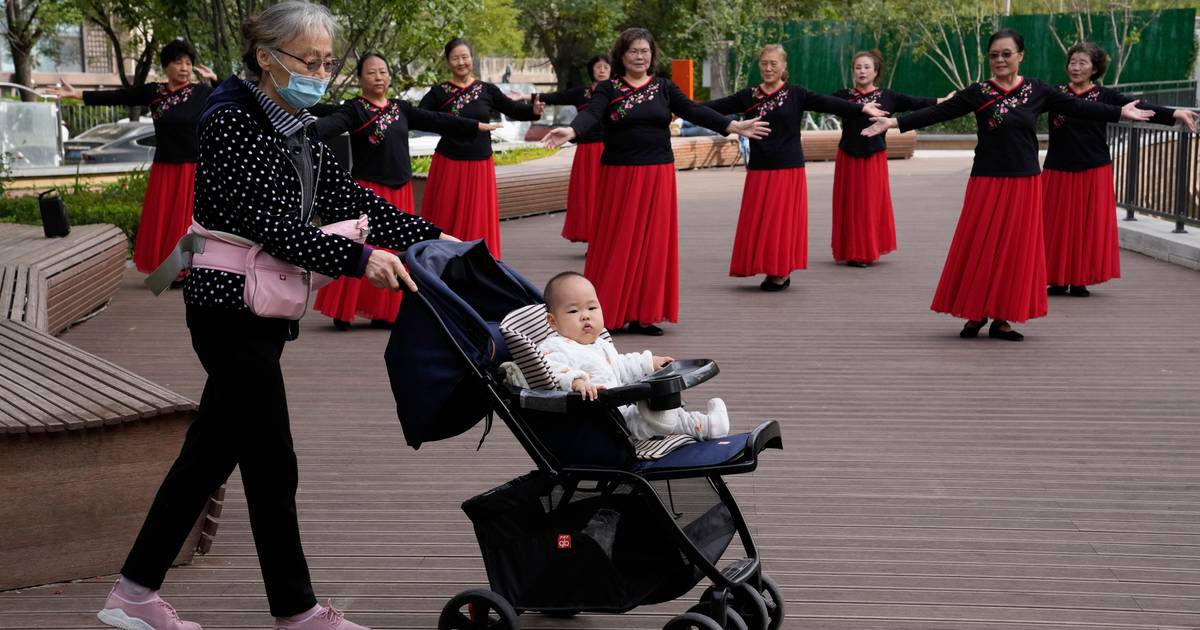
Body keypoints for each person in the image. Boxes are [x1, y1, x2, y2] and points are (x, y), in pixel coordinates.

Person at [95, 3, 456, 630]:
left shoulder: (293, 118)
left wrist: (437, 240)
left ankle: (132, 595)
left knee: (210, 454)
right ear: (266, 58)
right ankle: (297, 612)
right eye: (308, 61)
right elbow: (276, 229)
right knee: (270, 461)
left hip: (258, 306)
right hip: (227, 307)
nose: (320, 72)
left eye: (326, 62)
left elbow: (346, 196)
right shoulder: (230, 120)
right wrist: (361, 258)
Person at [863, 28, 1154, 341]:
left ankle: (1003, 319)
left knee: (1016, 251)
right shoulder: (978, 92)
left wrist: (1119, 111)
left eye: (1006, 54)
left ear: (1020, 56)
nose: (1000, 60)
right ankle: (976, 312)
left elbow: (1080, 107)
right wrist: (893, 122)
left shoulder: (1038, 90)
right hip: (986, 181)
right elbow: (937, 112)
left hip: (1024, 182)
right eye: (994, 55)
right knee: (980, 246)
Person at [544, 28, 769, 335]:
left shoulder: (664, 87)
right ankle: (608, 314)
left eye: (645, 51)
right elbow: (592, 116)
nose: (640, 56)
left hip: (657, 174)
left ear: (652, 55)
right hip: (619, 175)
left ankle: (643, 314)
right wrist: (571, 132)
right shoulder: (608, 89)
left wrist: (731, 125)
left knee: (653, 243)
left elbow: (692, 109)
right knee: (615, 241)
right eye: (634, 51)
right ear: (621, 55)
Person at [310, 52, 497, 330]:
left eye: (383, 72)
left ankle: (385, 311)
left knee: (396, 249)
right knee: (361, 249)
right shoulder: (354, 109)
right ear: (360, 78)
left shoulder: (401, 108)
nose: (378, 77)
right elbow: (327, 126)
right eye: (371, 72)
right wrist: (300, 133)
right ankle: (344, 310)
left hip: (400, 189)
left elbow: (436, 120)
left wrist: (475, 126)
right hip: (367, 191)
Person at [704, 44, 883, 291]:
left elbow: (830, 103)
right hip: (759, 169)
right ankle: (765, 267)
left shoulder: (796, 94)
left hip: (788, 169)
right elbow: (710, 109)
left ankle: (780, 272)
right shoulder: (749, 96)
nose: (768, 68)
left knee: (781, 223)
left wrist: (862, 107)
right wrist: (681, 110)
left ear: (784, 66)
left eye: (773, 63)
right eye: (764, 63)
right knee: (759, 222)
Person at [44, 40, 218, 277]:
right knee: (162, 221)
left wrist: (217, 78)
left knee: (186, 221)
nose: (185, 68)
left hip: (191, 168)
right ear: (167, 66)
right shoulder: (154, 92)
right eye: (178, 62)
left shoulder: (201, 93)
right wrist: (77, 94)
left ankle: (184, 270)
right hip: (164, 167)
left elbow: (233, 97)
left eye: (188, 63)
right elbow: (119, 95)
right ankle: (166, 270)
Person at [1042, 41, 1198, 297]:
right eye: (1072, 62)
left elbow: (1141, 108)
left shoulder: (1106, 96)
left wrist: (1174, 113)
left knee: (1086, 227)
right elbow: (1023, 106)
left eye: (1083, 63)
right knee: (1056, 225)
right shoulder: (1056, 93)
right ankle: (1057, 279)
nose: (1076, 67)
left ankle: (1079, 279)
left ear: (1094, 68)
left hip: (1093, 169)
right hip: (1058, 169)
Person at [538, 271, 729, 440]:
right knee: (653, 410)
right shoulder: (555, 347)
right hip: (601, 419)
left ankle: (707, 425)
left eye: (592, 308)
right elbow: (552, 369)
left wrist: (648, 362)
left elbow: (621, 365)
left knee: (666, 410)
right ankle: (664, 416)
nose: (585, 316)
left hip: (623, 408)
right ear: (553, 321)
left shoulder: (598, 344)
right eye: (573, 311)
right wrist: (576, 382)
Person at [418, 38, 543, 258]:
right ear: (448, 62)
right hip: (448, 163)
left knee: (477, 217)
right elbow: (420, 117)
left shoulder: (487, 90)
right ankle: (441, 260)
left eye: (465, 57)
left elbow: (513, 109)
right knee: (446, 214)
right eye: (455, 58)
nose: (461, 62)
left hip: (479, 165)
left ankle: (478, 262)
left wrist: (533, 111)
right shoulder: (439, 92)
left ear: (472, 59)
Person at [831, 50, 948, 268]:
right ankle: (851, 250)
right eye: (858, 67)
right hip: (848, 157)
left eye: (867, 67)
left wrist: (944, 101)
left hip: (873, 158)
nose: (862, 71)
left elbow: (917, 102)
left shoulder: (888, 97)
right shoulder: (842, 96)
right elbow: (822, 103)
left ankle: (865, 251)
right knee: (851, 204)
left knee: (869, 204)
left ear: (876, 72)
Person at [536, 53, 612, 243]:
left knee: (608, 196)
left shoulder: (617, 92)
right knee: (588, 196)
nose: (602, 70)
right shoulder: (582, 93)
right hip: (586, 151)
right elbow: (556, 96)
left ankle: (608, 237)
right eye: (598, 67)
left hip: (610, 150)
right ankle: (593, 238)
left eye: (606, 67)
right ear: (591, 70)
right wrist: (529, 97)